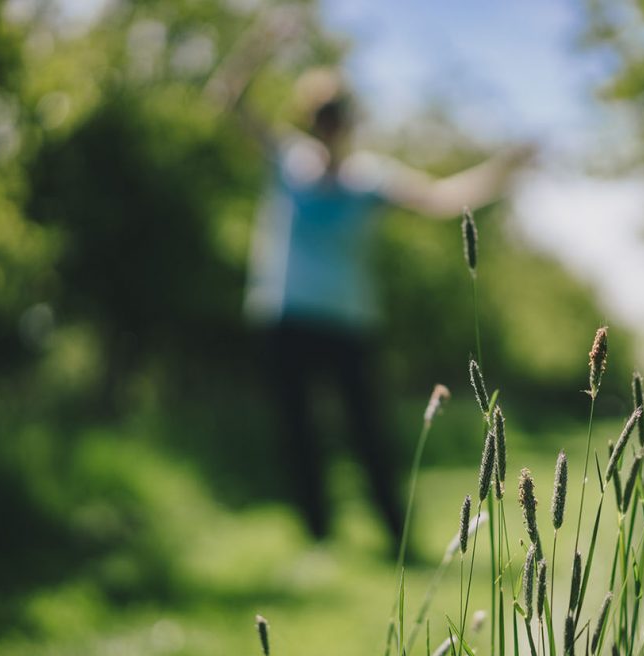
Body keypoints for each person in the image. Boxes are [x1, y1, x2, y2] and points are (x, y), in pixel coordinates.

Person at [211, 57, 530, 548]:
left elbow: (443, 199)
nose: (331, 125)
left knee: (368, 433)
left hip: (349, 323)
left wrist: (504, 169)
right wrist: (262, 42)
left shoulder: (370, 180)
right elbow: (227, 98)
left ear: (351, 122)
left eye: (338, 115)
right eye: (322, 115)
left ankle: (396, 535)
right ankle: (318, 536)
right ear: (310, 121)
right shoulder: (287, 161)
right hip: (285, 315)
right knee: (297, 434)